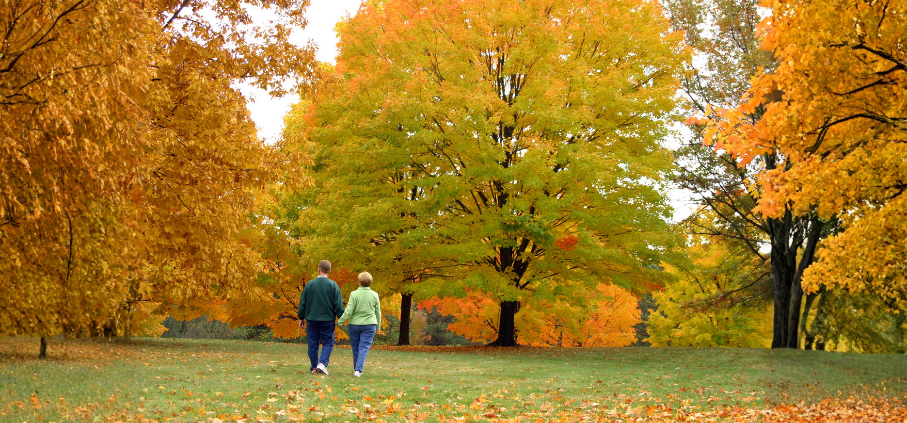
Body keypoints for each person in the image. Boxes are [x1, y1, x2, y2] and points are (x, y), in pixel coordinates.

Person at [298, 260, 345, 375]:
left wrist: (301, 317)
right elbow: (338, 304)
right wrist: (341, 318)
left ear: (319, 269)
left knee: (313, 343)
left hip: (312, 318)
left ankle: (314, 366)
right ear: (329, 271)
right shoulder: (333, 285)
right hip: (327, 319)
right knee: (328, 342)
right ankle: (322, 364)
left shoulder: (310, 284)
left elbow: (303, 302)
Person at [337, 272, 382, 377]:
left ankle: (357, 369)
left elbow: (349, 311)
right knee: (364, 347)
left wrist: (341, 321)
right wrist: (378, 326)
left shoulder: (354, 294)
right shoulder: (375, 295)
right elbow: (378, 311)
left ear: (359, 282)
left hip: (355, 324)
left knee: (356, 347)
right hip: (370, 324)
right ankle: (358, 370)